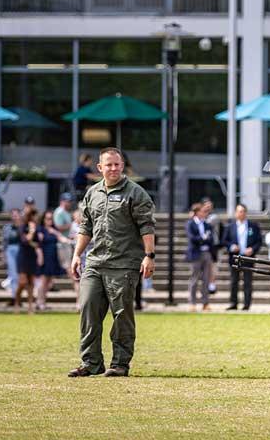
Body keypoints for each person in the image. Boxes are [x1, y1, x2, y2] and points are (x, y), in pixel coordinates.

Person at [69, 147, 156, 378]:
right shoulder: (92, 193)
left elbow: (147, 227)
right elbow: (85, 227)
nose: (113, 168)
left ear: (122, 166)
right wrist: (77, 254)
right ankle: (90, 363)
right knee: (88, 309)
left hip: (124, 264)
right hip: (95, 262)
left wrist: (149, 256)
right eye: (108, 164)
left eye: (117, 164)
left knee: (121, 315)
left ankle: (120, 363)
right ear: (100, 168)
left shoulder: (135, 193)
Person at [223, 203, 262, 310]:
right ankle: (233, 303)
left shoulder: (253, 226)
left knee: (248, 281)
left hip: (248, 257)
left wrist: (252, 249)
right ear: (236, 213)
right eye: (239, 211)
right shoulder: (230, 226)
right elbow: (225, 241)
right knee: (233, 281)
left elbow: (259, 241)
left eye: (243, 211)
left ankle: (246, 304)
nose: (242, 213)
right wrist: (231, 247)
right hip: (234, 257)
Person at [186, 202, 214, 312]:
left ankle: (205, 303)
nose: (205, 213)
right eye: (203, 211)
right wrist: (203, 239)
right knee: (194, 279)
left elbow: (211, 238)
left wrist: (204, 239)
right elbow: (192, 238)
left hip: (206, 253)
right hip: (196, 253)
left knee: (206, 279)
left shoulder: (207, 224)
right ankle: (192, 303)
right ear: (197, 212)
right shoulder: (190, 224)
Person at [36, 210, 67, 311]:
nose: (49, 220)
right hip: (45, 257)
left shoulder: (53, 229)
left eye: (51, 218)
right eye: (47, 218)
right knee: (43, 281)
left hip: (53, 257)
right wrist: (40, 257)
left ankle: (42, 301)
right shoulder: (41, 230)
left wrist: (55, 232)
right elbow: (38, 244)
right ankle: (39, 302)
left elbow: (62, 239)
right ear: (43, 219)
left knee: (49, 282)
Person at [16, 209, 42, 314]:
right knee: (22, 282)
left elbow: (38, 243)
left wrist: (31, 241)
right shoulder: (23, 227)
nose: (36, 218)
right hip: (23, 256)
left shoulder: (37, 228)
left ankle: (30, 307)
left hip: (32, 256)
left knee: (31, 282)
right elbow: (24, 241)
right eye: (34, 216)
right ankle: (17, 303)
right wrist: (31, 232)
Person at [201, 197, 222, 294]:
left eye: (210, 206)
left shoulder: (214, 217)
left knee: (213, 265)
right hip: (202, 244)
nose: (208, 208)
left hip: (213, 244)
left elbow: (206, 223)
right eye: (206, 206)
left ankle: (211, 284)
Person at [2, 209, 23, 306]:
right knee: (13, 274)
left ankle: (18, 296)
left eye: (16, 215)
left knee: (20, 275)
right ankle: (14, 297)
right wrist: (3, 254)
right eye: (13, 215)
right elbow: (4, 242)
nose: (15, 217)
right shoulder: (7, 227)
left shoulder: (22, 227)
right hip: (10, 250)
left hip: (20, 250)